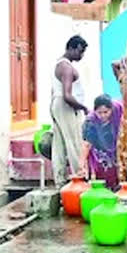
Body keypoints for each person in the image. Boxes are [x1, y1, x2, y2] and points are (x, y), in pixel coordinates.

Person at [51, 35, 88, 187]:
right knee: (74, 142)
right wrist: (83, 107)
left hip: (57, 104)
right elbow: (67, 95)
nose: (81, 55)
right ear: (71, 48)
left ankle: (60, 181)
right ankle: (79, 178)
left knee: (59, 143)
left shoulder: (59, 64)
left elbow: (54, 91)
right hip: (67, 107)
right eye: (80, 51)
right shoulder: (66, 67)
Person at [80, 95, 123, 190]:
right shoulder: (90, 122)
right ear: (94, 111)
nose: (103, 115)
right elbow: (87, 144)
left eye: (106, 112)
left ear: (111, 109)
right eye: (99, 112)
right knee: (103, 172)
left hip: (117, 147)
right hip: (100, 152)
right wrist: (82, 164)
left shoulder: (118, 110)